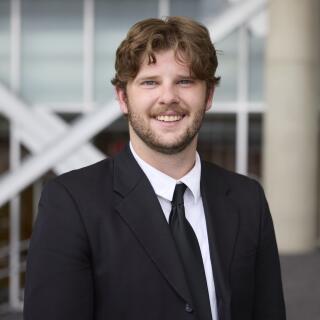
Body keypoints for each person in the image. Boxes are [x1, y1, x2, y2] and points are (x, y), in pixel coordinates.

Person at [23, 16, 286, 320]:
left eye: (184, 81)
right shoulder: (71, 203)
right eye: (150, 82)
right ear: (123, 97)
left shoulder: (248, 200)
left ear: (209, 95)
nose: (168, 97)